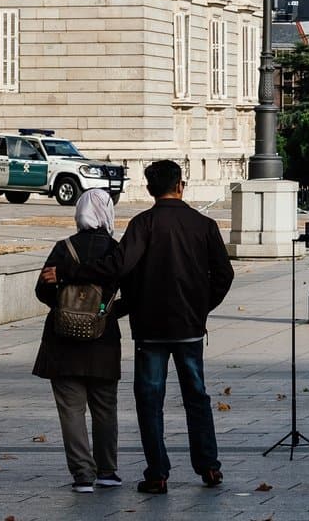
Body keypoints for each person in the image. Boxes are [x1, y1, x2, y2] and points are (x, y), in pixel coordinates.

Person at [45, 160, 234, 495]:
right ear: (181, 185)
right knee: (197, 397)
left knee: (150, 399)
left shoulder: (143, 224)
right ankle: (209, 466)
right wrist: (201, 308)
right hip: (189, 327)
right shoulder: (204, 225)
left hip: (150, 329)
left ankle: (158, 473)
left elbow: (118, 266)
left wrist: (68, 273)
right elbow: (224, 275)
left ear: (149, 190)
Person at [32, 189, 126, 493]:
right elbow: (133, 295)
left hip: (63, 342)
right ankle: (107, 471)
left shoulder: (64, 249)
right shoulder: (115, 250)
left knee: (71, 410)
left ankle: (82, 475)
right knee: (105, 408)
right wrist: (106, 313)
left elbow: (42, 290)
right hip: (104, 342)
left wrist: (66, 307)